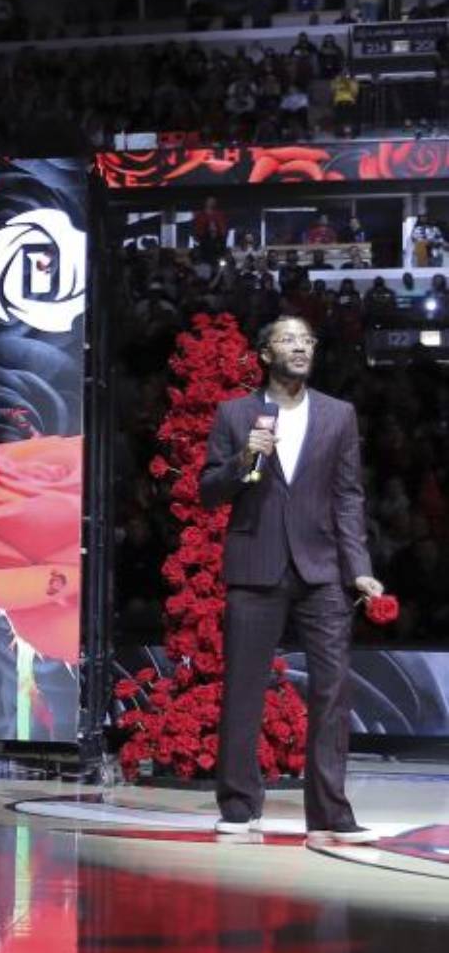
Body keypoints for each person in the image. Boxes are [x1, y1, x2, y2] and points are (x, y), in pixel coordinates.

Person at [200, 317, 380, 844]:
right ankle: (238, 805)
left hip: (322, 570)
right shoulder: (235, 414)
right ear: (263, 354)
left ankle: (329, 813)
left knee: (333, 689)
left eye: (307, 341)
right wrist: (244, 456)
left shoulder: (338, 415)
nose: (300, 347)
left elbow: (349, 497)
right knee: (244, 690)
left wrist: (360, 568)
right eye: (288, 340)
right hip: (256, 564)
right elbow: (209, 490)